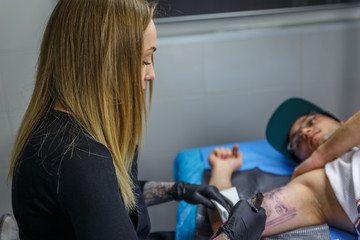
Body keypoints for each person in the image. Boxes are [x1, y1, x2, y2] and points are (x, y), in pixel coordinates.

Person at [9, 1, 266, 239]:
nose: (151, 73)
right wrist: (233, 234)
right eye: (144, 60)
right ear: (104, 63)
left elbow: (108, 196)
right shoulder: (78, 157)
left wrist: (178, 190)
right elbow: (96, 187)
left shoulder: (63, 127)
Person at [207, 97, 360, 237]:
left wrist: (321, 155)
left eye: (311, 122)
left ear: (343, 122)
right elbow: (231, 224)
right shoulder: (314, 185)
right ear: (301, 160)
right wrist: (221, 169)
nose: (305, 132)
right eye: (297, 141)